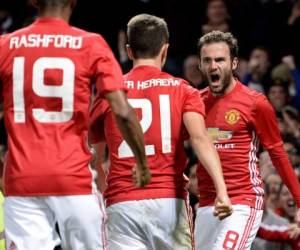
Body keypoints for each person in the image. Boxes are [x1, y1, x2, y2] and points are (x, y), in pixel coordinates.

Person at [0, 0, 151, 249]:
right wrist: (142, 163)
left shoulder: (6, 45)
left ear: (33, 2)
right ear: (73, 2)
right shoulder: (90, 44)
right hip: (73, 178)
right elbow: (123, 112)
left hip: (21, 178)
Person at [89, 14, 232, 250]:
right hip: (169, 203)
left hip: (122, 203)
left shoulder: (110, 94)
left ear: (129, 50)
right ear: (164, 50)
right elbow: (200, 139)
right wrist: (222, 191)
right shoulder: (184, 90)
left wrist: (105, 194)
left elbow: (96, 156)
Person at [195, 30, 300, 250]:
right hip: (206, 203)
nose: (213, 66)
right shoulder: (195, 103)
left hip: (243, 201)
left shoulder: (255, 103)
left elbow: (277, 153)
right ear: (200, 65)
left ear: (233, 64)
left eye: (220, 60)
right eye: (207, 60)